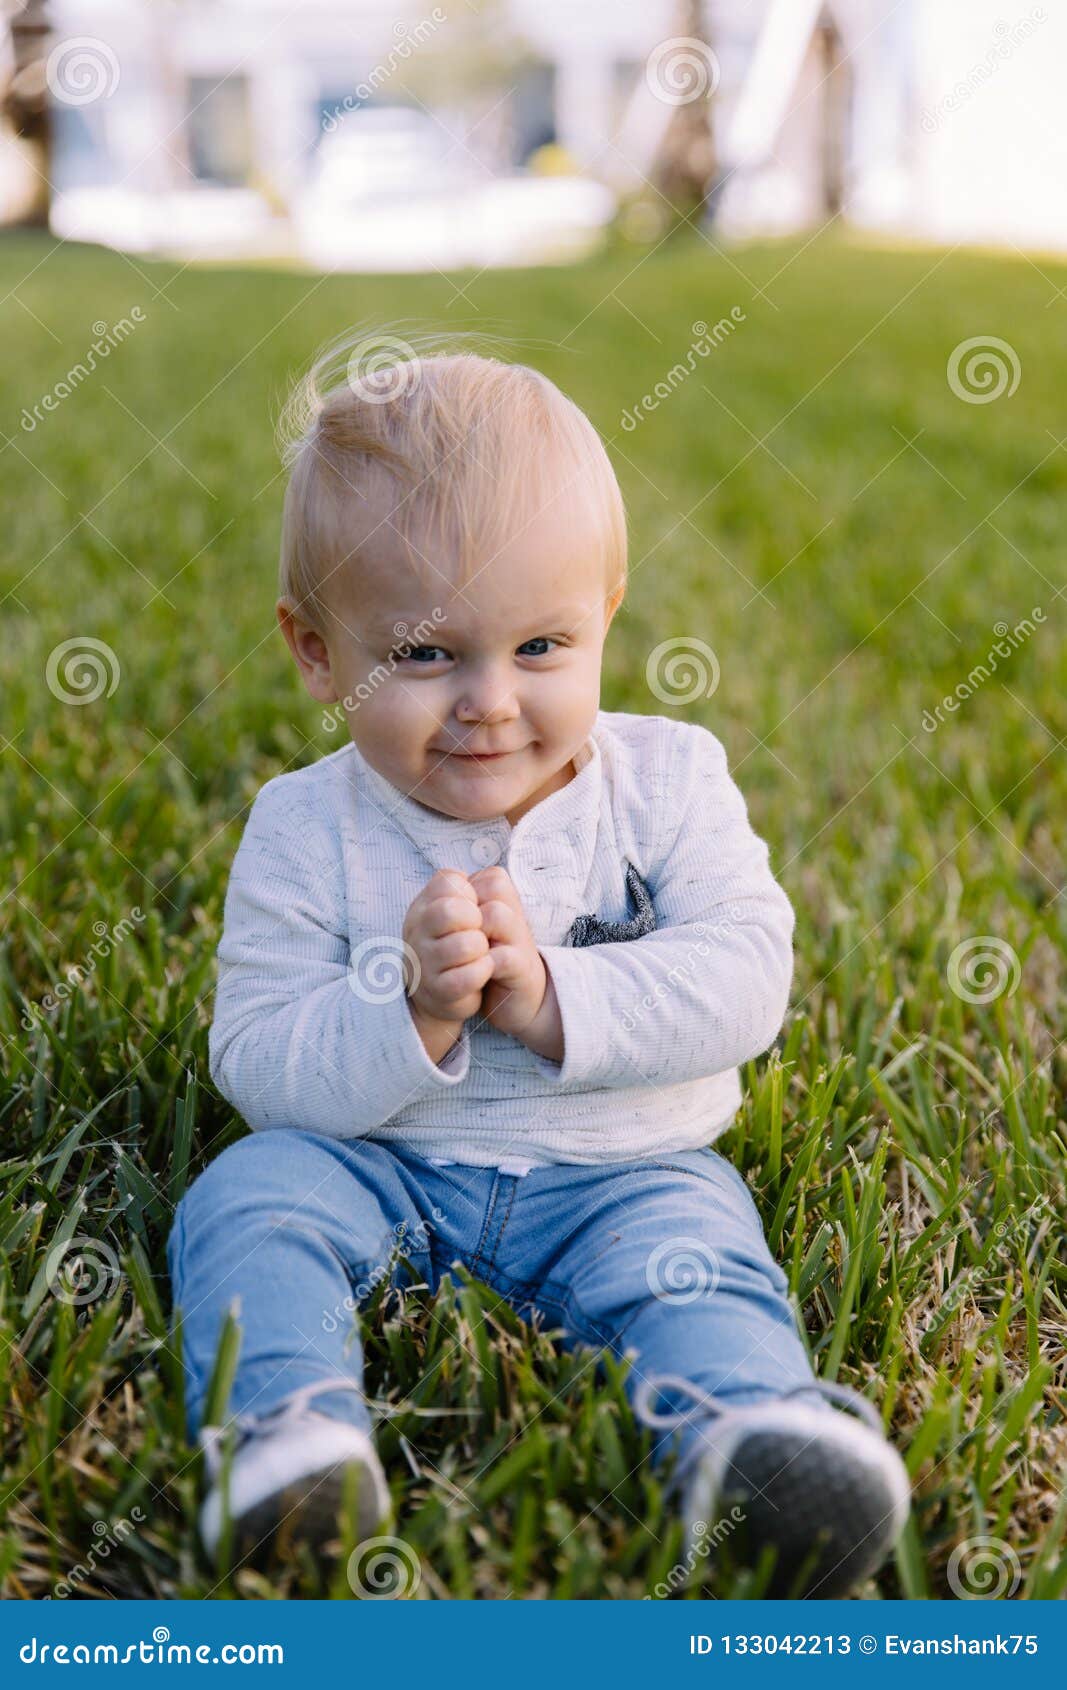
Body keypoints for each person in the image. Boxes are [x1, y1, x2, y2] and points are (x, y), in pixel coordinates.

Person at [166, 332, 910, 1596]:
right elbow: (255, 1055)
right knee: (249, 1197)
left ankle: (751, 1437)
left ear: (604, 613)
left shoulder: (668, 779)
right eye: (420, 653)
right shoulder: (302, 826)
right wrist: (400, 1007)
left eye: (540, 648)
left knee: (699, 1255)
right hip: (379, 1167)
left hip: (627, 1169)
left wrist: (558, 997)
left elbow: (743, 972)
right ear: (314, 652)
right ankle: (288, 1439)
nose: (488, 702)